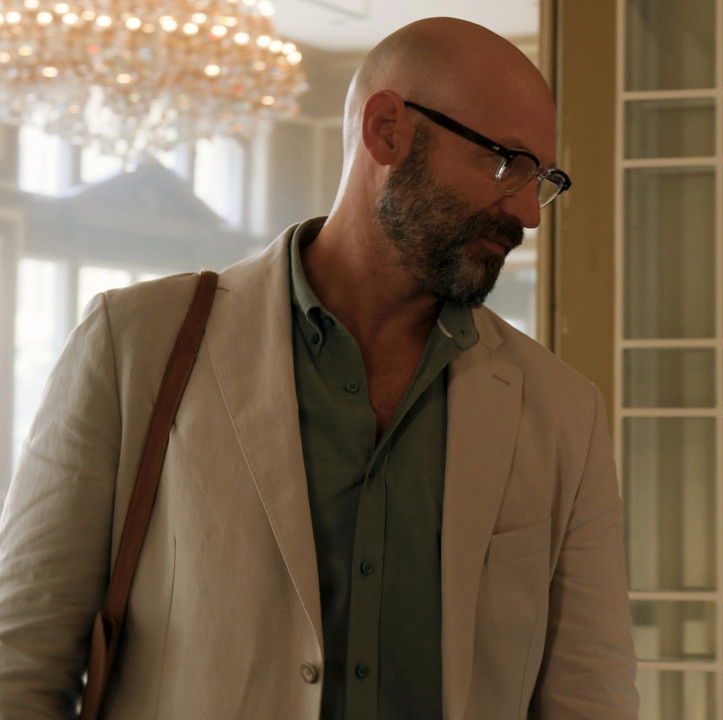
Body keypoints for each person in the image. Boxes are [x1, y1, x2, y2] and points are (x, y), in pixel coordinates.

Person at [0, 18, 638, 720]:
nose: (527, 213)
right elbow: (22, 661)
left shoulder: (561, 410)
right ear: (387, 131)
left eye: (540, 179)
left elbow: (592, 697)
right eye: (505, 163)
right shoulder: (135, 343)